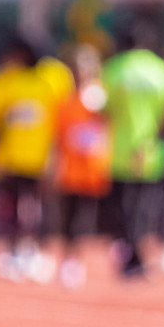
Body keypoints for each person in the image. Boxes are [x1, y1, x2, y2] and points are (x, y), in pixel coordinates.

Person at [0, 36, 70, 283]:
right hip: (9, 159)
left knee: (36, 207)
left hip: (39, 159)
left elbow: (62, 117)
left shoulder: (50, 78)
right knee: (11, 207)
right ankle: (14, 251)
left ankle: (33, 251)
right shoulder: (2, 82)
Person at [101, 20, 164, 279]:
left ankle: (129, 255)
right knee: (146, 207)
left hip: (119, 152)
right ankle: (138, 254)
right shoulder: (161, 71)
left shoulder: (112, 70)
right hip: (151, 151)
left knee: (123, 208)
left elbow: (104, 110)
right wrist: (157, 139)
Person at [50, 43, 112, 288]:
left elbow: (107, 128)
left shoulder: (100, 98)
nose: (79, 73)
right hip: (70, 171)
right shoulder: (64, 100)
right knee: (68, 218)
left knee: (88, 218)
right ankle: (69, 259)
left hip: (94, 171)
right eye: (75, 68)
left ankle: (88, 257)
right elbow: (58, 135)